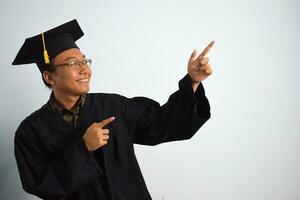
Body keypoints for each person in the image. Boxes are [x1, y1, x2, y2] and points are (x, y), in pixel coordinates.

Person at [12, 19, 214, 200]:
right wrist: (83, 149)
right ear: (49, 77)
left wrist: (192, 82)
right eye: (73, 63)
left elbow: (163, 123)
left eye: (85, 61)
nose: (85, 70)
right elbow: (41, 186)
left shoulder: (113, 107)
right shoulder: (31, 131)